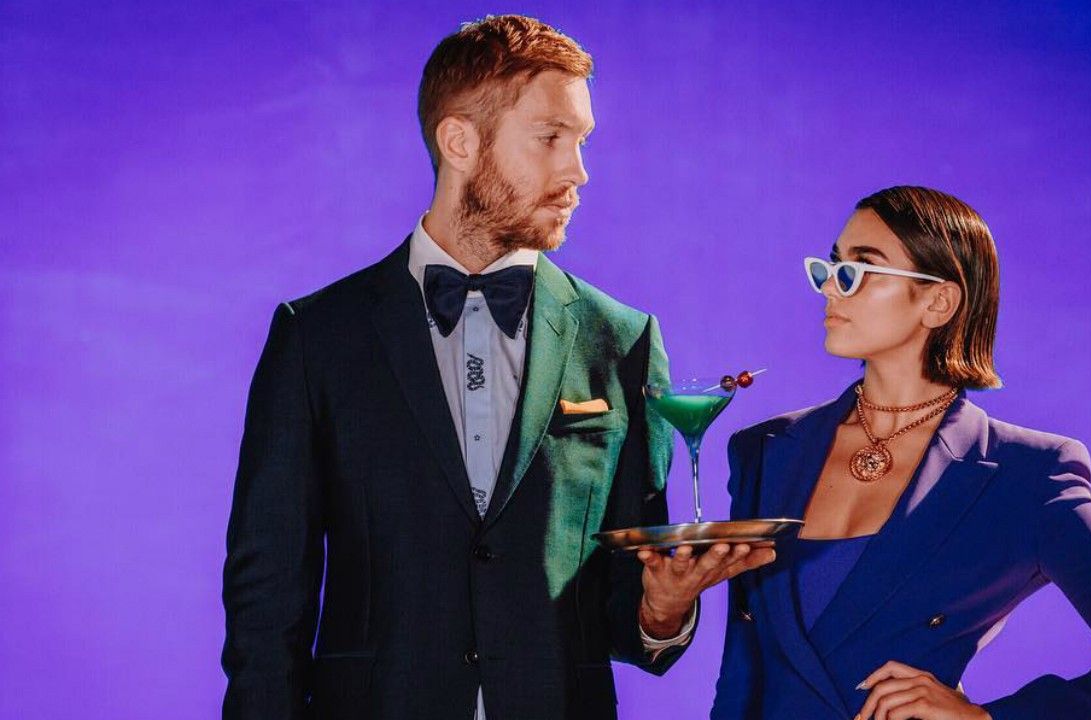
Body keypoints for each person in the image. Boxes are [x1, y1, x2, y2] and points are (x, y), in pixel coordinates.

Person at [221, 15, 773, 720]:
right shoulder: (317, 337)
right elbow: (266, 595)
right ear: (459, 142)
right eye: (550, 138)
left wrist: (663, 610)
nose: (578, 172)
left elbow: (627, 600)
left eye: (581, 141)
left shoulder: (624, 340)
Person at [710, 186, 1091, 719]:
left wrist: (988, 719)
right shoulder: (764, 450)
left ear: (938, 302)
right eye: (830, 267)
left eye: (859, 269)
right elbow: (742, 669)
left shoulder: (1027, 475)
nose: (831, 287)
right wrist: (666, 611)